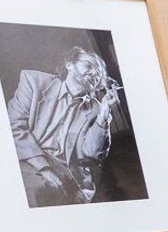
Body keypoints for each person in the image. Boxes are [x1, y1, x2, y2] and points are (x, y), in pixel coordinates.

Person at [8, 47, 121, 207]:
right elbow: (13, 125)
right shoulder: (33, 82)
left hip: (67, 170)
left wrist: (103, 117)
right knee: (36, 191)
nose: (95, 73)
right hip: (28, 158)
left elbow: (91, 154)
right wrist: (44, 168)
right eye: (89, 65)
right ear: (69, 65)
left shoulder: (95, 108)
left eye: (99, 72)